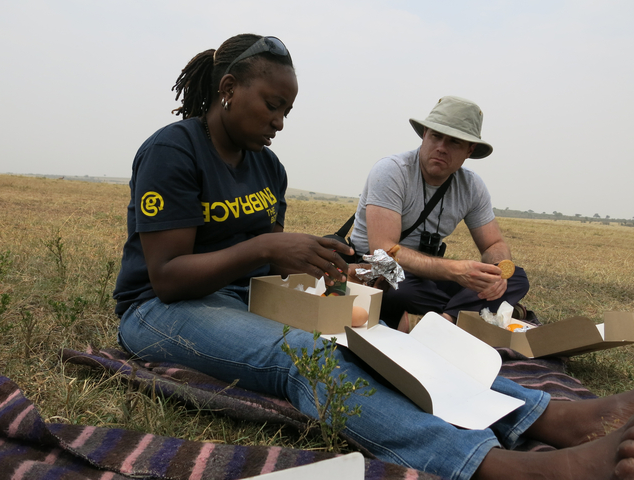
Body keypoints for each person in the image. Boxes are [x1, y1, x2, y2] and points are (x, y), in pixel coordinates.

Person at [112, 34, 634, 480]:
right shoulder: (174, 150)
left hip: (243, 295)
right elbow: (167, 278)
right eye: (272, 105)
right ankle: (491, 465)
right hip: (159, 311)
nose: (280, 121)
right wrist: (271, 245)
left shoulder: (266, 166)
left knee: (377, 340)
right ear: (228, 90)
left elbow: (265, 263)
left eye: (287, 110)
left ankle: (544, 417)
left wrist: (329, 264)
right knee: (303, 356)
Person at [350, 96, 530, 328]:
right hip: (383, 270)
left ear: (470, 149)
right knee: (399, 292)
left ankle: (444, 320)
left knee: (517, 278)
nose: (441, 148)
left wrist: (498, 272)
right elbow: (384, 251)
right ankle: (478, 314)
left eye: (454, 142)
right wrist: (456, 270)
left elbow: (493, 244)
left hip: (429, 275)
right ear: (425, 134)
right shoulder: (392, 171)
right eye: (436, 136)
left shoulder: (472, 186)